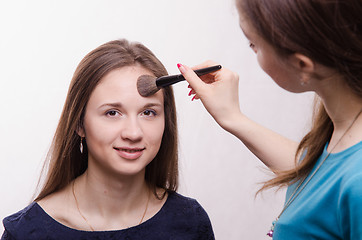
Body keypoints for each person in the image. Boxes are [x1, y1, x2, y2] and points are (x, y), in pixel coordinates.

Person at [177, 0, 362, 239]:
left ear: (302, 64)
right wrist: (232, 117)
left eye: (254, 45)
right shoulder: (342, 126)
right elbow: (319, 175)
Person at [1, 39, 214, 240]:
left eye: (148, 113)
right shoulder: (25, 232)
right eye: (112, 113)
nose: (133, 133)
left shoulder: (190, 223)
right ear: (79, 123)